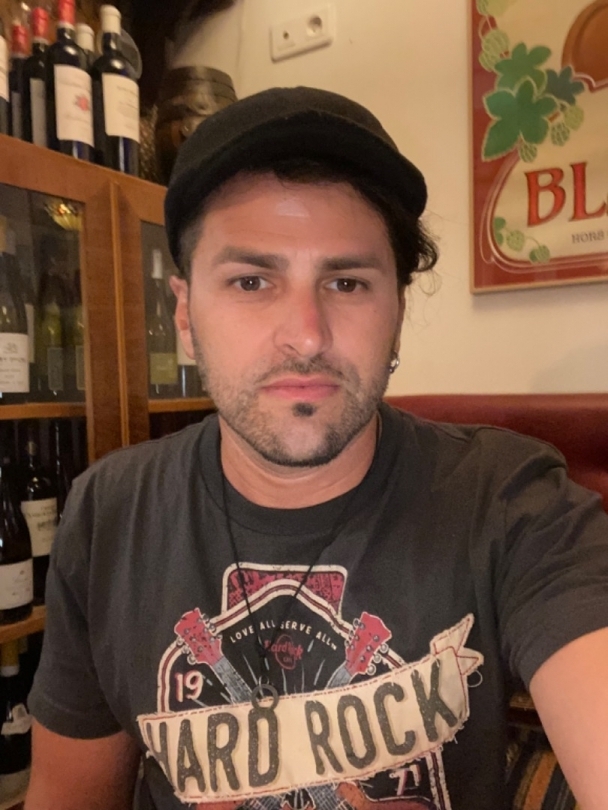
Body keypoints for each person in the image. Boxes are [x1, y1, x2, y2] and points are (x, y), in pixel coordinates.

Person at [24, 87, 608, 810]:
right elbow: (69, 794)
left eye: (346, 281)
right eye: (251, 281)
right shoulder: (110, 511)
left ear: (398, 312)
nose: (306, 334)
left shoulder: (514, 503)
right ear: (184, 316)